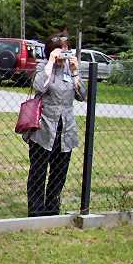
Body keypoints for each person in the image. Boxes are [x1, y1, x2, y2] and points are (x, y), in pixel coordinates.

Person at [25, 34, 86, 216]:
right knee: (38, 171)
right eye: (61, 49)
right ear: (51, 51)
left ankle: (52, 209)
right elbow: (39, 87)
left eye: (67, 49)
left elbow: (83, 95)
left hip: (65, 129)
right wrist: (50, 63)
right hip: (43, 128)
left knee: (59, 173)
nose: (65, 53)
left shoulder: (69, 69)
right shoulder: (43, 66)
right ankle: (36, 211)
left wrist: (75, 72)